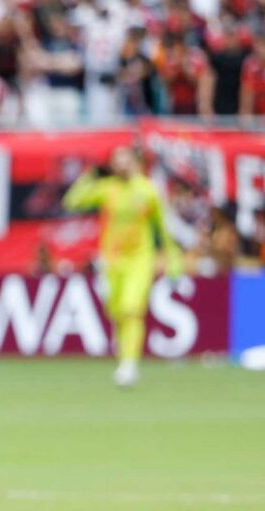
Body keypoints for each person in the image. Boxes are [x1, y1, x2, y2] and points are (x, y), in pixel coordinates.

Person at [63, 146, 183, 387]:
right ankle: (124, 360)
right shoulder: (108, 189)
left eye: (125, 159)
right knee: (117, 312)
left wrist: (174, 261)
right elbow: (71, 201)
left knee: (132, 308)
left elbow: (164, 228)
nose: (122, 165)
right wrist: (91, 174)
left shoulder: (147, 190)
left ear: (134, 162)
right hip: (112, 260)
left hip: (140, 259)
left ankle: (129, 364)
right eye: (117, 161)